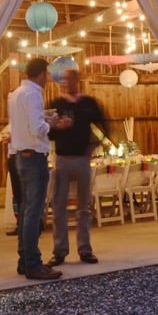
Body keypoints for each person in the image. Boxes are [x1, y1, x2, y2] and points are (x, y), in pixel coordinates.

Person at [8, 57, 72, 280]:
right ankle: (34, 264)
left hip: (19, 156)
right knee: (34, 213)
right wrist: (54, 123)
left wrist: (45, 116)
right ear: (42, 73)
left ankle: (24, 261)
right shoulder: (34, 94)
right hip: (34, 158)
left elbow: (24, 123)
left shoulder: (16, 94)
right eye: (47, 74)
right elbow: (36, 129)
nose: (48, 78)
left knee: (26, 211)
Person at [47, 69, 110, 267]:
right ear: (63, 82)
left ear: (78, 80)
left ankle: (85, 249)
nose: (70, 82)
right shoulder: (56, 105)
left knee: (84, 207)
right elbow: (47, 132)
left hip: (83, 159)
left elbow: (104, 126)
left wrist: (93, 146)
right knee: (59, 207)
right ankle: (60, 251)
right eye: (66, 79)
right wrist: (58, 127)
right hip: (62, 158)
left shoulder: (89, 104)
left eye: (73, 78)